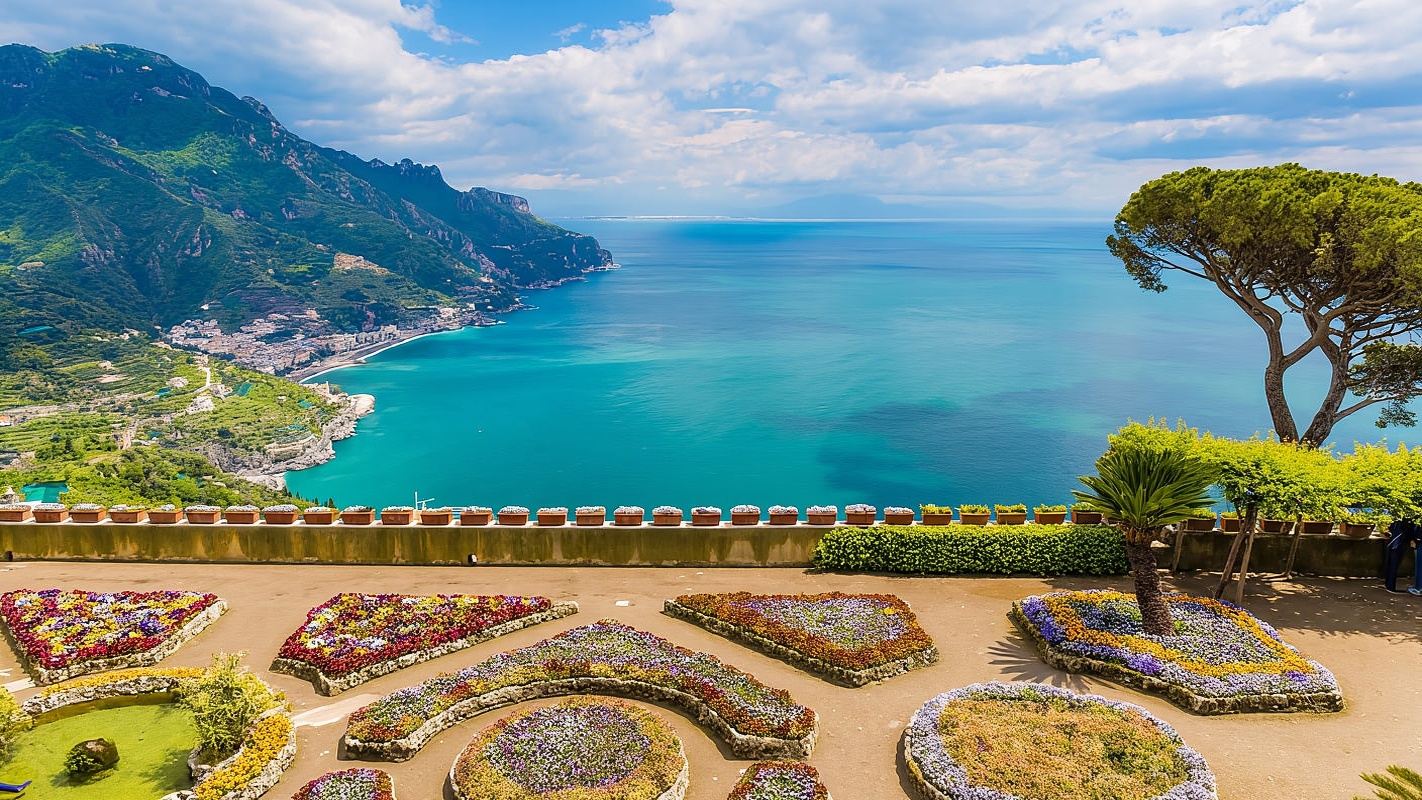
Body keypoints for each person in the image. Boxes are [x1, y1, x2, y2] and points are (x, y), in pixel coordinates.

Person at [1384, 517, 1421, 595]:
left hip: (1399, 536)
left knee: (1392, 560)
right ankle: (1390, 585)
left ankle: (1389, 585)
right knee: (1393, 560)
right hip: (1400, 537)